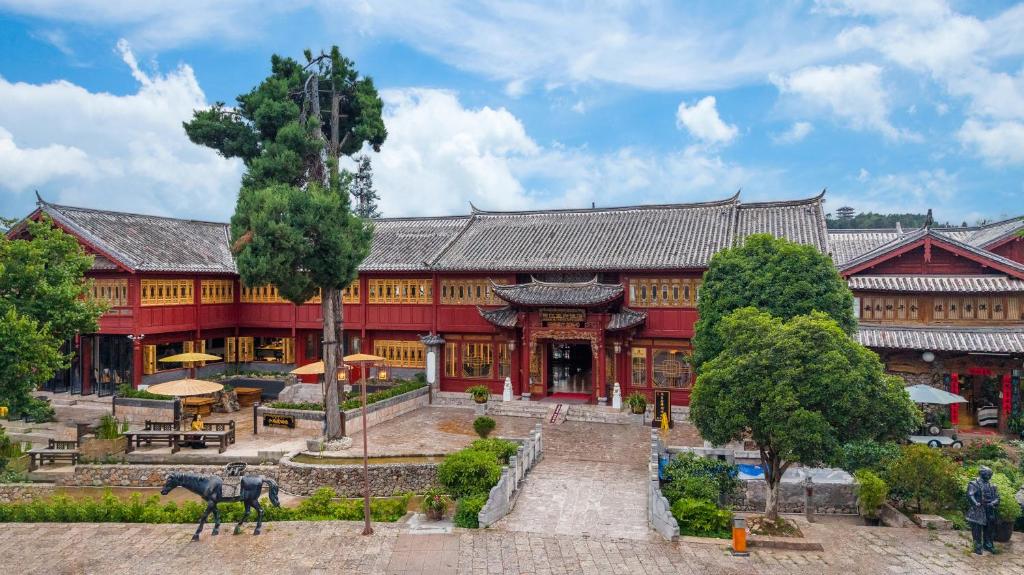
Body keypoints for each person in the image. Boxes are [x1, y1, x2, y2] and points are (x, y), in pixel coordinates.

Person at [966, 465, 999, 554]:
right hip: (978, 509)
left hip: (989, 509)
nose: (990, 476)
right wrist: (975, 503)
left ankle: (988, 544)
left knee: (989, 528)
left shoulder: (992, 485)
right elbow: (970, 494)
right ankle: (977, 545)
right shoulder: (974, 483)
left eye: (991, 475)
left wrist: (993, 503)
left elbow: (997, 498)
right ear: (982, 474)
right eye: (988, 474)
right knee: (977, 528)